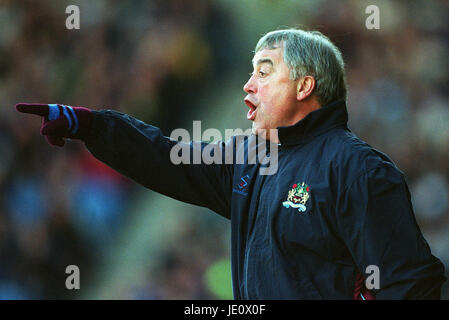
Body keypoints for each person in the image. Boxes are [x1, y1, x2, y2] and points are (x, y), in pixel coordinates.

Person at [16, 29, 446, 299]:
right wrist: (91, 125)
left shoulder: (359, 170)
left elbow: (411, 282)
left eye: (263, 72)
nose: (248, 84)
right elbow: (166, 157)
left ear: (304, 86)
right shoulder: (248, 157)